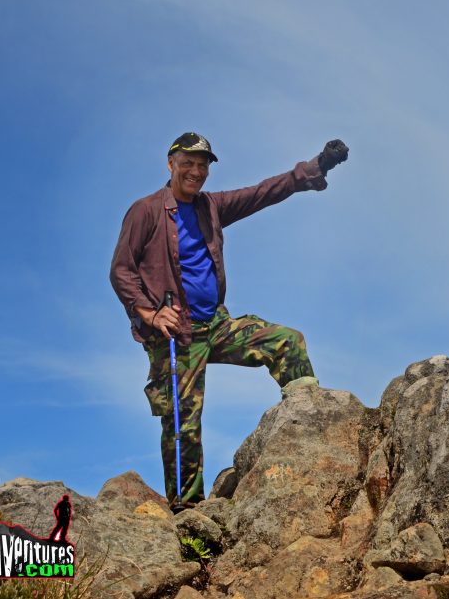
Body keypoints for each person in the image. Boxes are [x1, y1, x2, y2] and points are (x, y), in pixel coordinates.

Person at [110, 132, 348, 511]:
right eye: (187, 162)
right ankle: (188, 512)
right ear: (170, 163)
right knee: (182, 423)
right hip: (176, 333)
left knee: (286, 341)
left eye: (202, 165)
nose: (195, 171)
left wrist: (317, 166)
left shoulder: (211, 207)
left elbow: (264, 192)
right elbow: (121, 270)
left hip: (215, 324)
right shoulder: (146, 210)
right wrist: (150, 312)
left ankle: (309, 425)